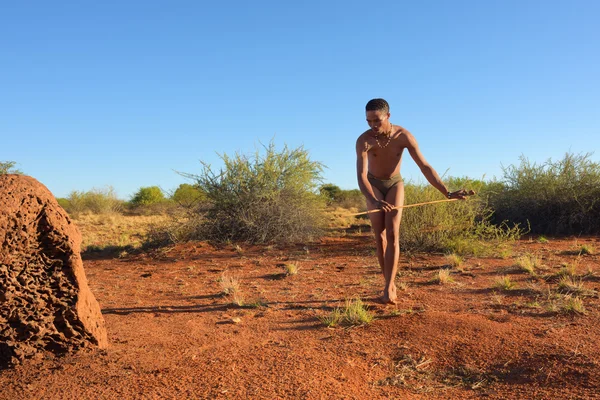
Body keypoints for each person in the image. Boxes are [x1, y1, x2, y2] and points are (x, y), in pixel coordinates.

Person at [356, 98, 467, 304]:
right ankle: (387, 281)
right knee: (380, 237)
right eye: (368, 121)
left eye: (377, 120)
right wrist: (372, 199)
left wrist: (446, 192)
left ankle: (389, 287)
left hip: (394, 184)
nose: (372, 125)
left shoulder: (403, 136)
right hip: (373, 186)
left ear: (388, 116)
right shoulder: (364, 140)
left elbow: (424, 166)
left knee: (393, 233)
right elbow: (361, 176)